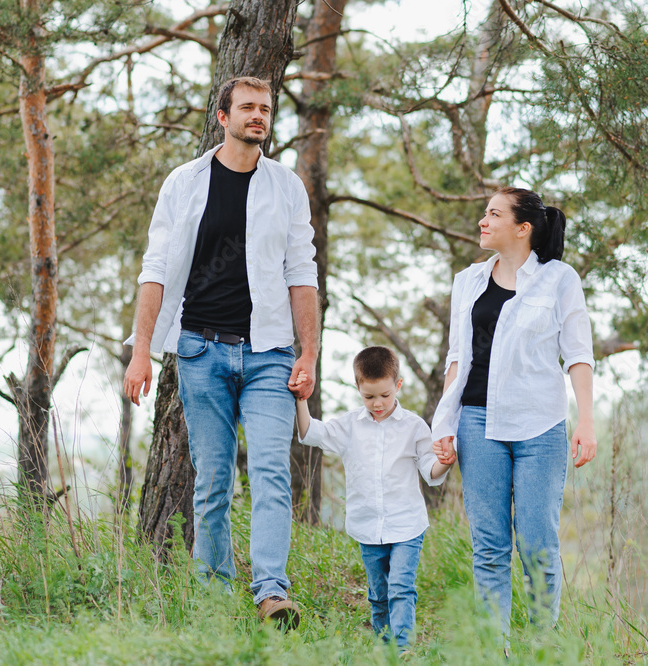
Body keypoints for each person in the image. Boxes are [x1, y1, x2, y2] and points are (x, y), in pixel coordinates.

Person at [123, 76, 318, 629]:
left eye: (266, 109)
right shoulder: (183, 183)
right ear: (222, 115)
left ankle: (270, 594)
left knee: (271, 473)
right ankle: (212, 598)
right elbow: (155, 271)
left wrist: (309, 353)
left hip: (270, 355)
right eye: (248, 108)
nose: (259, 116)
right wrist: (142, 352)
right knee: (211, 481)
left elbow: (302, 273)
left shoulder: (287, 187)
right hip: (199, 351)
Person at [430, 187, 596, 646]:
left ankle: (543, 647)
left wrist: (586, 421)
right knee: (489, 547)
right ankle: (493, 651)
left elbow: (578, 354)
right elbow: (456, 359)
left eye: (494, 214)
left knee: (538, 544)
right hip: (477, 424)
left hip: (539, 428)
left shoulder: (560, 280)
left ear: (523, 228)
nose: (483, 221)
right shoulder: (467, 281)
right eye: (484, 213)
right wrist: (444, 425)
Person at [291, 346, 452, 651]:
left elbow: (431, 471)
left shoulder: (414, 426)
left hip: (407, 526)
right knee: (379, 594)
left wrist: (446, 460)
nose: (377, 404)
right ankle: (383, 648)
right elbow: (310, 431)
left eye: (385, 395)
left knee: (401, 587)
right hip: (368, 527)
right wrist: (302, 400)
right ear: (358, 389)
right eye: (369, 397)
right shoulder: (350, 426)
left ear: (398, 386)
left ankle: (403, 650)